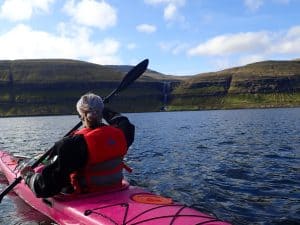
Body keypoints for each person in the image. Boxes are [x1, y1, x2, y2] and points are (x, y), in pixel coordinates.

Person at [20, 93, 135, 198]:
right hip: (115, 189)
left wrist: (28, 176)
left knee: (57, 177)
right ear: (101, 111)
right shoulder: (122, 134)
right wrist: (101, 109)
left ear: (82, 115)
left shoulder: (71, 144)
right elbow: (121, 120)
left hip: (86, 196)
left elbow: (45, 188)